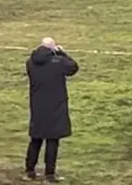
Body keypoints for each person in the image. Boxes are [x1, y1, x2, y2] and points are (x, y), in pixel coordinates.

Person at [25, 37, 79, 182]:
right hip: (55, 105)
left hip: (37, 105)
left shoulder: (30, 62)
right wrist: (62, 53)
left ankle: (29, 170)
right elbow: (73, 68)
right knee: (52, 141)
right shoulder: (59, 62)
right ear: (53, 48)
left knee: (35, 139)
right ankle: (49, 174)